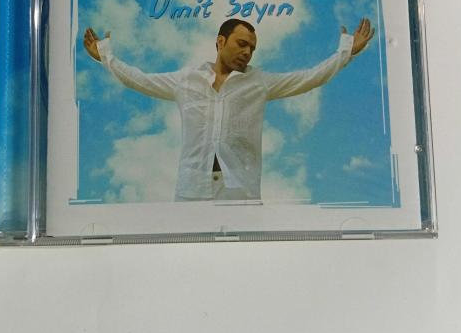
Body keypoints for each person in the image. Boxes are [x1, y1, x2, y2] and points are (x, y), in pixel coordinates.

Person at [83, 18, 374, 202]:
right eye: (242, 43)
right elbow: (140, 80)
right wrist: (105, 57)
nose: (247, 52)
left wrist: (346, 52)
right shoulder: (187, 81)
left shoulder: (259, 83)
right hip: (191, 191)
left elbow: (309, 78)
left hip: (240, 192)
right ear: (220, 42)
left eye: (252, 48)